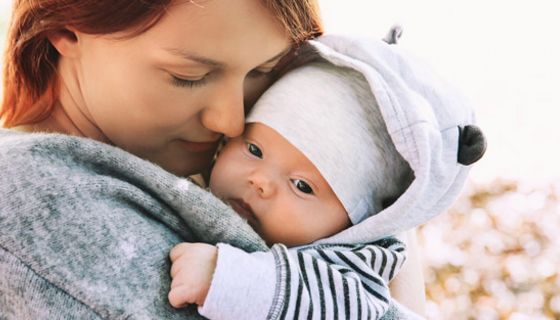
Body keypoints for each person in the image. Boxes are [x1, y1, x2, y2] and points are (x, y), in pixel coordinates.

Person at [0, 1, 427, 318]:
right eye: (189, 77)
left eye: (264, 71)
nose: (231, 121)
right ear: (68, 30)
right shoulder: (34, 196)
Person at [167, 35, 486, 319]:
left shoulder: (356, 265)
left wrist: (227, 280)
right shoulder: (183, 185)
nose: (260, 181)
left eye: (302, 186)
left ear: (355, 225)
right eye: (254, 149)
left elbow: (351, 306)